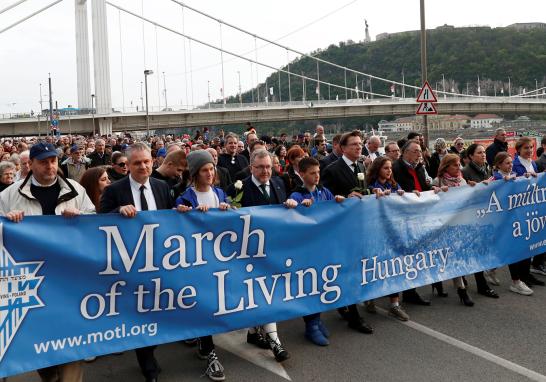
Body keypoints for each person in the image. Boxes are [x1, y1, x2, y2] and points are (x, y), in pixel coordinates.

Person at [0, 141, 95, 382]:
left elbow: (96, 223)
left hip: (70, 278)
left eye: (52, 161)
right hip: (32, 281)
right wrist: (7, 221)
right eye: (43, 162)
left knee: (73, 338)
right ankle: (49, 373)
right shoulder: (9, 195)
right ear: (30, 165)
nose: (49, 166)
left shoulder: (74, 189)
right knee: (41, 337)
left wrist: (81, 217)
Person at [99, 143, 174, 382]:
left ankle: (150, 351)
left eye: (146, 161)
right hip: (130, 262)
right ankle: (147, 365)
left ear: (153, 162)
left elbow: (172, 220)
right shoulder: (115, 190)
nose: (143, 166)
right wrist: (118, 210)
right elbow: (100, 221)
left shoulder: (163, 187)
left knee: (158, 309)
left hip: (160, 260)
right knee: (140, 310)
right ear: (127, 166)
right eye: (137, 163)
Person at [226, 149, 297, 362]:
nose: (266, 171)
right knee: (263, 293)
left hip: (273, 250)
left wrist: (291, 205)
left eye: (269, 166)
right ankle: (275, 342)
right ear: (251, 168)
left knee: (266, 292)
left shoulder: (279, 184)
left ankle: (252, 332)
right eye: (260, 167)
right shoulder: (238, 188)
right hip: (249, 252)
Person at [175, 150, 228, 381]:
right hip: (196, 259)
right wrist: (184, 213)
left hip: (219, 258)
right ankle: (209, 351)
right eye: (205, 169)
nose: (210, 173)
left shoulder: (220, 193)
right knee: (203, 302)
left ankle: (202, 341)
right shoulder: (185, 197)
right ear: (195, 173)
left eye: (211, 169)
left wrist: (228, 210)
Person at [322, 131, 374, 333]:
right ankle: (354, 315)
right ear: (343, 148)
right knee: (348, 270)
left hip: (359, 226)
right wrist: (344, 196)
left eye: (360, 144)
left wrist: (372, 192)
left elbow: (363, 191)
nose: (358, 147)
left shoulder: (361, 166)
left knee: (356, 269)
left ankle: (346, 305)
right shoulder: (332, 169)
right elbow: (326, 199)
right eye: (353, 144)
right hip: (341, 229)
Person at [289, 157, 345, 345]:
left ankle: (317, 319)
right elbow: (291, 219)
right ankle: (311, 324)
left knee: (322, 283)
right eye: (312, 173)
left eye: (318, 172)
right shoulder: (297, 195)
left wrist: (338, 201)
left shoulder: (324, 192)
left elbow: (333, 212)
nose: (317, 176)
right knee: (309, 286)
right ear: (302, 174)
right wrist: (297, 207)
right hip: (307, 250)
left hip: (324, 247)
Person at [364, 157, 411, 320]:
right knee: (375, 266)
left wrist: (401, 194)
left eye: (390, 168)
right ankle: (368, 297)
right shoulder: (371, 187)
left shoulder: (393, 185)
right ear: (378, 169)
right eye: (385, 168)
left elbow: (401, 202)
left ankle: (394, 304)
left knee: (393, 267)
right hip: (376, 233)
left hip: (392, 232)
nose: (389, 171)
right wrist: (375, 196)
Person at [392, 140, 434, 305]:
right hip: (404, 218)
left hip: (419, 216)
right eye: (416, 151)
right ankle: (396, 294)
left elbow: (424, 187)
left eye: (420, 151)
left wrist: (433, 190)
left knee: (415, 255)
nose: (419, 154)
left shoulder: (420, 167)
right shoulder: (396, 168)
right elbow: (397, 191)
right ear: (405, 153)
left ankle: (411, 292)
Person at [433, 154, 475, 306]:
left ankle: (459, 287)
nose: (459, 168)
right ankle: (458, 290)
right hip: (444, 227)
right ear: (446, 167)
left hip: (460, 225)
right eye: (455, 165)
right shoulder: (437, 181)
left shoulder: (462, 181)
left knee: (458, 256)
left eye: (459, 164)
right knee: (446, 256)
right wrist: (436, 191)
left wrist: (472, 188)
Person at [489, 152, 533, 295]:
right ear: (499, 165)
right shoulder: (495, 178)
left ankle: (491, 269)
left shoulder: (513, 175)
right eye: (507, 163)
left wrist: (525, 178)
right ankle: (516, 282)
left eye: (511, 162)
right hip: (501, 220)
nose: (510, 165)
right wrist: (502, 181)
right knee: (511, 248)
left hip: (513, 218)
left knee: (507, 248)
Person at [461, 144, 501, 298]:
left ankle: (467, 277)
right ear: (471, 156)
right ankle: (481, 285)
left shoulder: (487, 168)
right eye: (479, 153)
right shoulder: (466, 172)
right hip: (473, 216)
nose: (483, 155)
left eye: (484, 152)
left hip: (487, 213)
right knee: (477, 251)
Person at [511, 137, 546, 282]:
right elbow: (510, 183)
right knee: (521, 243)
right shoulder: (514, 164)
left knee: (530, 241)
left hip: (532, 207)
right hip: (519, 208)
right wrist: (521, 178)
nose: (530, 150)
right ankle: (522, 276)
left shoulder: (533, 163)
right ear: (518, 150)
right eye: (526, 148)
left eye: (531, 147)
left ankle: (527, 274)